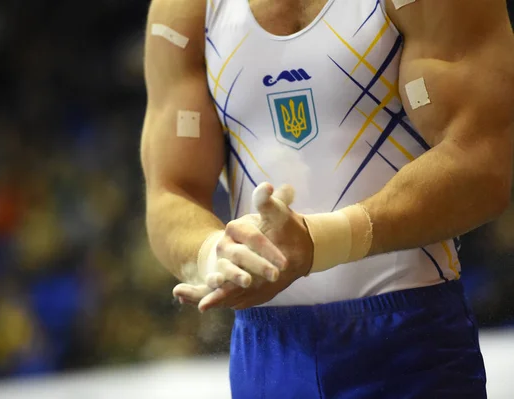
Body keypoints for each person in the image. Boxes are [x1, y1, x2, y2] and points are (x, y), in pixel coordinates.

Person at [141, 0, 514, 397]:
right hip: (268, 353)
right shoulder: (185, 11)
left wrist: (321, 240)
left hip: (408, 337)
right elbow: (170, 190)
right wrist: (215, 253)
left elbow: (485, 162)